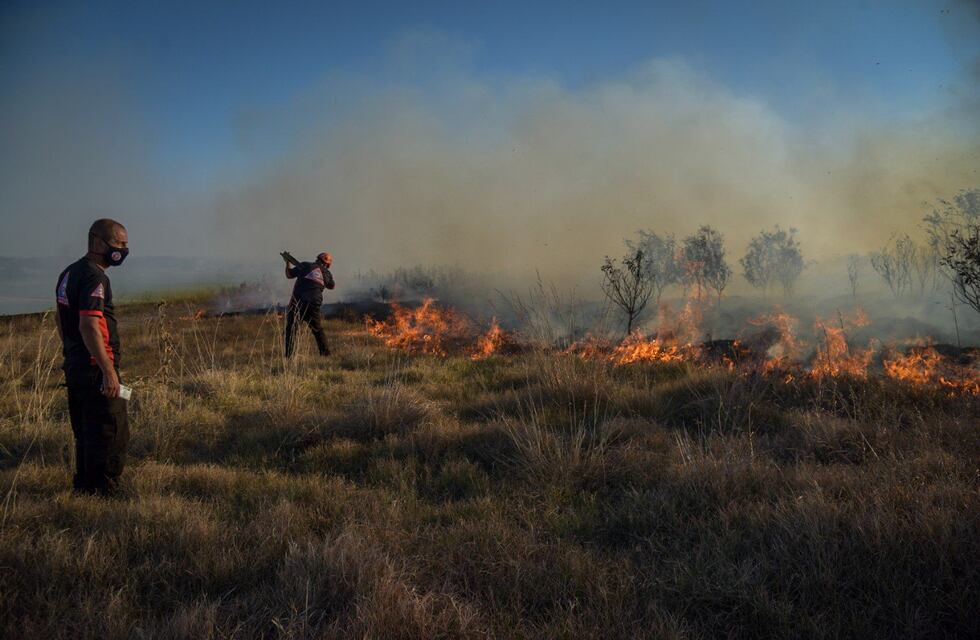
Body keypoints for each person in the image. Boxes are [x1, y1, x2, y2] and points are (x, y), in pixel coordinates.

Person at [55, 218, 130, 496]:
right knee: (110, 430)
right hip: (95, 368)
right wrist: (107, 369)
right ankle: (104, 492)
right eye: (119, 242)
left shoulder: (69, 273)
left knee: (85, 430)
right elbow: (88, 323)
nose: (123, 249)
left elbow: (60, 319)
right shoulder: (94, 277)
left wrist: (72, 351)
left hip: (76, 366)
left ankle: (85, 487)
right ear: (98, 242)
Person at [283, 251, 335, 357]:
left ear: (317, 259)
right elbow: (332, 286)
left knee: (292, 329)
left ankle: (289, 357)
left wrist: (287, 262)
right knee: (317, 329)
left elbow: (289, 275)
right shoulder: (326, 273)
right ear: (328, 264)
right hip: (314, 302)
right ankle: (326, 355)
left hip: (298, 302)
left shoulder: (305, 265)